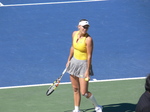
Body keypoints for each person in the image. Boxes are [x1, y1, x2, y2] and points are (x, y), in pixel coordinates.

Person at [66, 19, 103, 112]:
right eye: (84, 27)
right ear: (79, 26)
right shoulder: (74, 34)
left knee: (84, 92)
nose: (85, 29)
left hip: (83, 65)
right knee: (75, 89)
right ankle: (77, 109)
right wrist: (69, 60)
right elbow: (72, 47)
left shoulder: (88, 39)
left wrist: (87, 71)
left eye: (87, 27)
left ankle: (97, 106)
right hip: (74, 63)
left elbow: (89, 56)